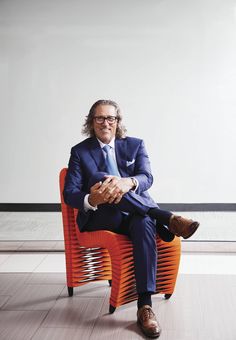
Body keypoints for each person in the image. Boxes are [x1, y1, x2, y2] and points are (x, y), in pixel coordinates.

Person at [63, 99, 200, 338]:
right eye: (100, 118)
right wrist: (93, 200)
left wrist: (129, 182)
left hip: (134, 214)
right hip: (100, 216)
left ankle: (144, 307)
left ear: (118, 122)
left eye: (110, 118)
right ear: (91, 122)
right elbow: (70, 193)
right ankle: (165, 219)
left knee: (143, 221)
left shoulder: (135, 145)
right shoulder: (80, 151)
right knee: (101, 176)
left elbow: (146, 177)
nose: (105, 123)